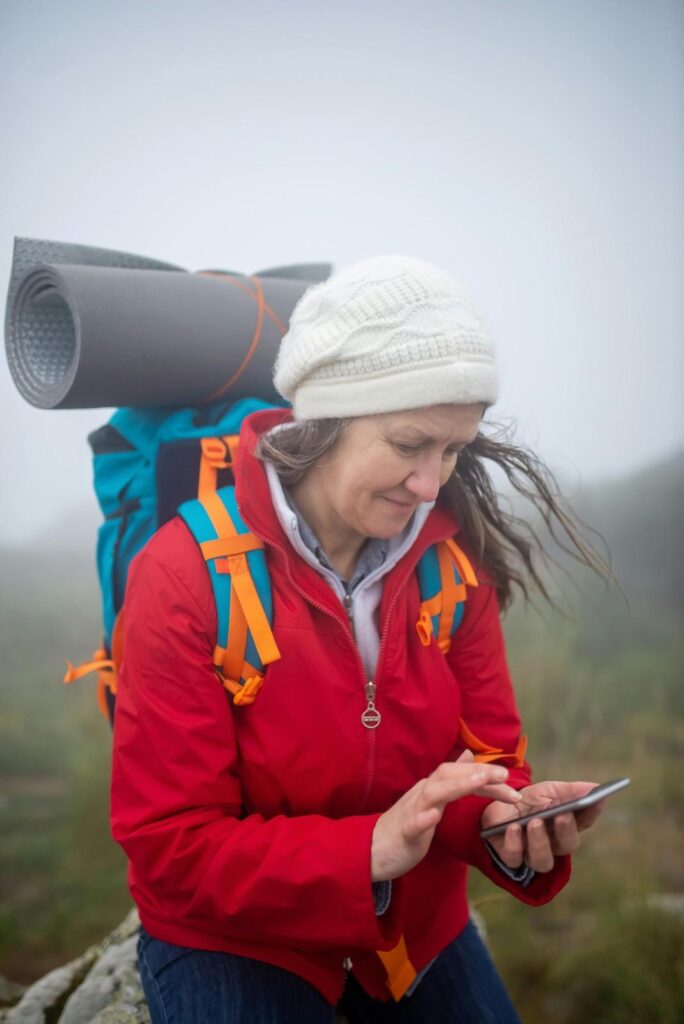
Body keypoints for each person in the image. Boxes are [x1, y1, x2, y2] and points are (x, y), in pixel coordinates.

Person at [111, 255, 608, 1023]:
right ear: (326, 421)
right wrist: (364, 853)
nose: (432, 484)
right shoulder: (182, 576)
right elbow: (171, 844)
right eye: (411, 445)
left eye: (453, 451)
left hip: (410, 924)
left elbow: (484, 765)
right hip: (237, 938)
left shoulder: (449, 566)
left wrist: (502, 820)